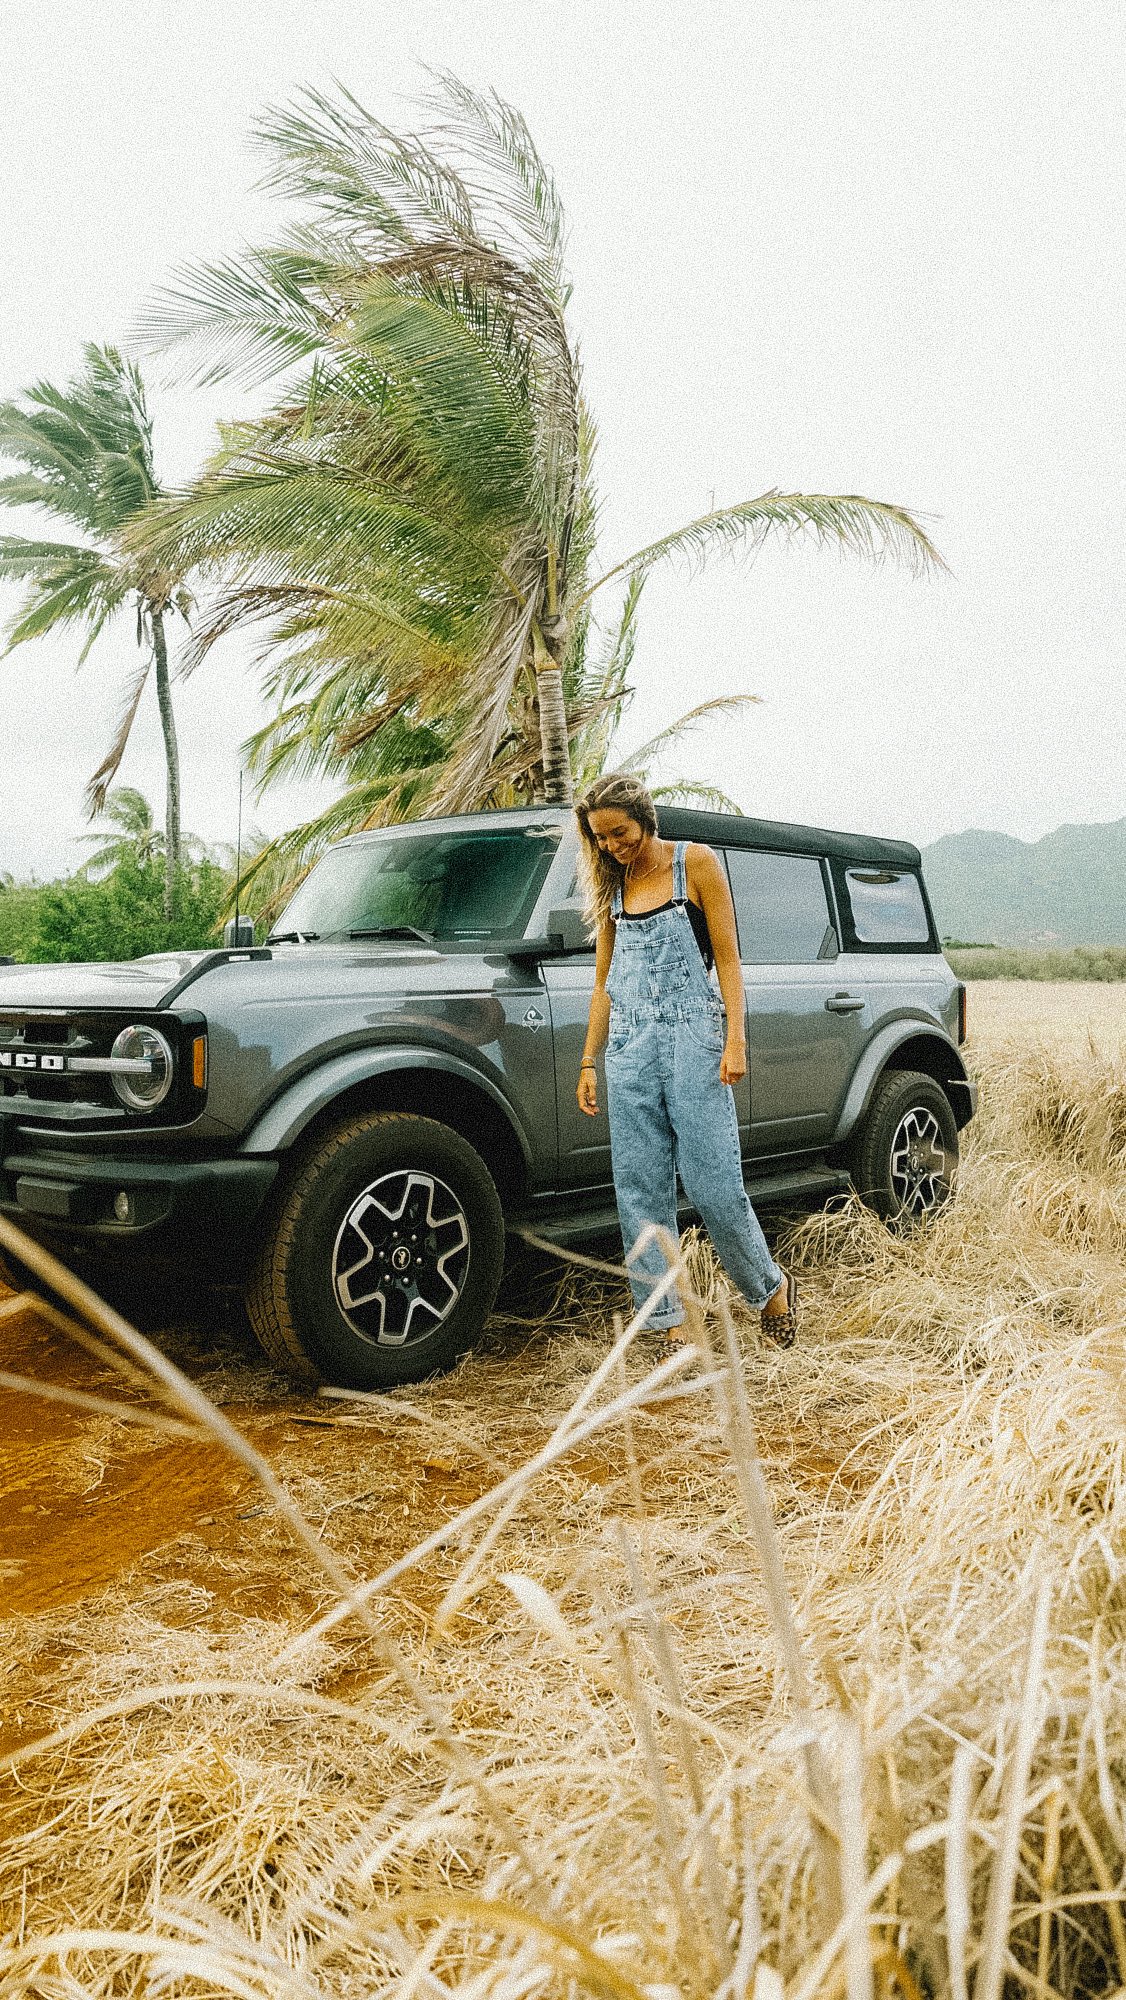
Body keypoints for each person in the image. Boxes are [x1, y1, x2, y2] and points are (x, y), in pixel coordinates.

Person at [575, 772, 798, 1345]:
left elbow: (728, 960)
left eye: (619, 832)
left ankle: (768, 1287)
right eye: (600, 838)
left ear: (644, 819)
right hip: (629, 1046)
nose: (611, 846)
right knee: (639, 1190)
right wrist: (588, 1060)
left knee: (713, 1183)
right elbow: (603, 984)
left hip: (693, 1038)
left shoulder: (693, 864)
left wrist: (735, 1038)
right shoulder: (611, 886)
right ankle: (668, 1323)